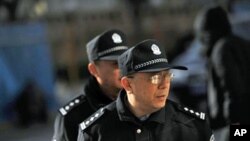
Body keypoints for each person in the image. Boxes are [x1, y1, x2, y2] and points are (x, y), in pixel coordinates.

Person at [77, 39, 214, 141]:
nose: (164, 85)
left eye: (167, 76)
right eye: (155, 78)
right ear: (128, 84)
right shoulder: (94, 132)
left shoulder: (193, 126)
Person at [52, 29, 129, 141]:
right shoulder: (73, 117)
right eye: (115, 64)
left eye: (126, 61)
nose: (123, 69)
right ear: (93, 69)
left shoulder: (145, 105)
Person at [195, 5, 250, 141]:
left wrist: (235, 125)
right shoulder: (240, 43)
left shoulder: (221, 49)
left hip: (237, 123)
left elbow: (232, 89)